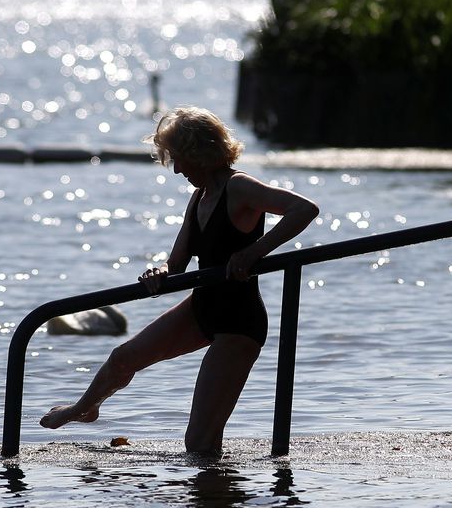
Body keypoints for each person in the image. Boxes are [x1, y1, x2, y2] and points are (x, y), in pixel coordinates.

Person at [39, 106, 319, 453]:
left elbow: (304, 209)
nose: (178, 169)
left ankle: (218, 501)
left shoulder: (240, 187)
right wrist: (161, 272)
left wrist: (253, 253)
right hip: (202, 306)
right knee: (123, 357)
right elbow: (177, 263)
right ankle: (83, 409)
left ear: (201, 153)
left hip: (238, 323)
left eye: (181, 159)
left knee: (199, 443)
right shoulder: (198, 197)